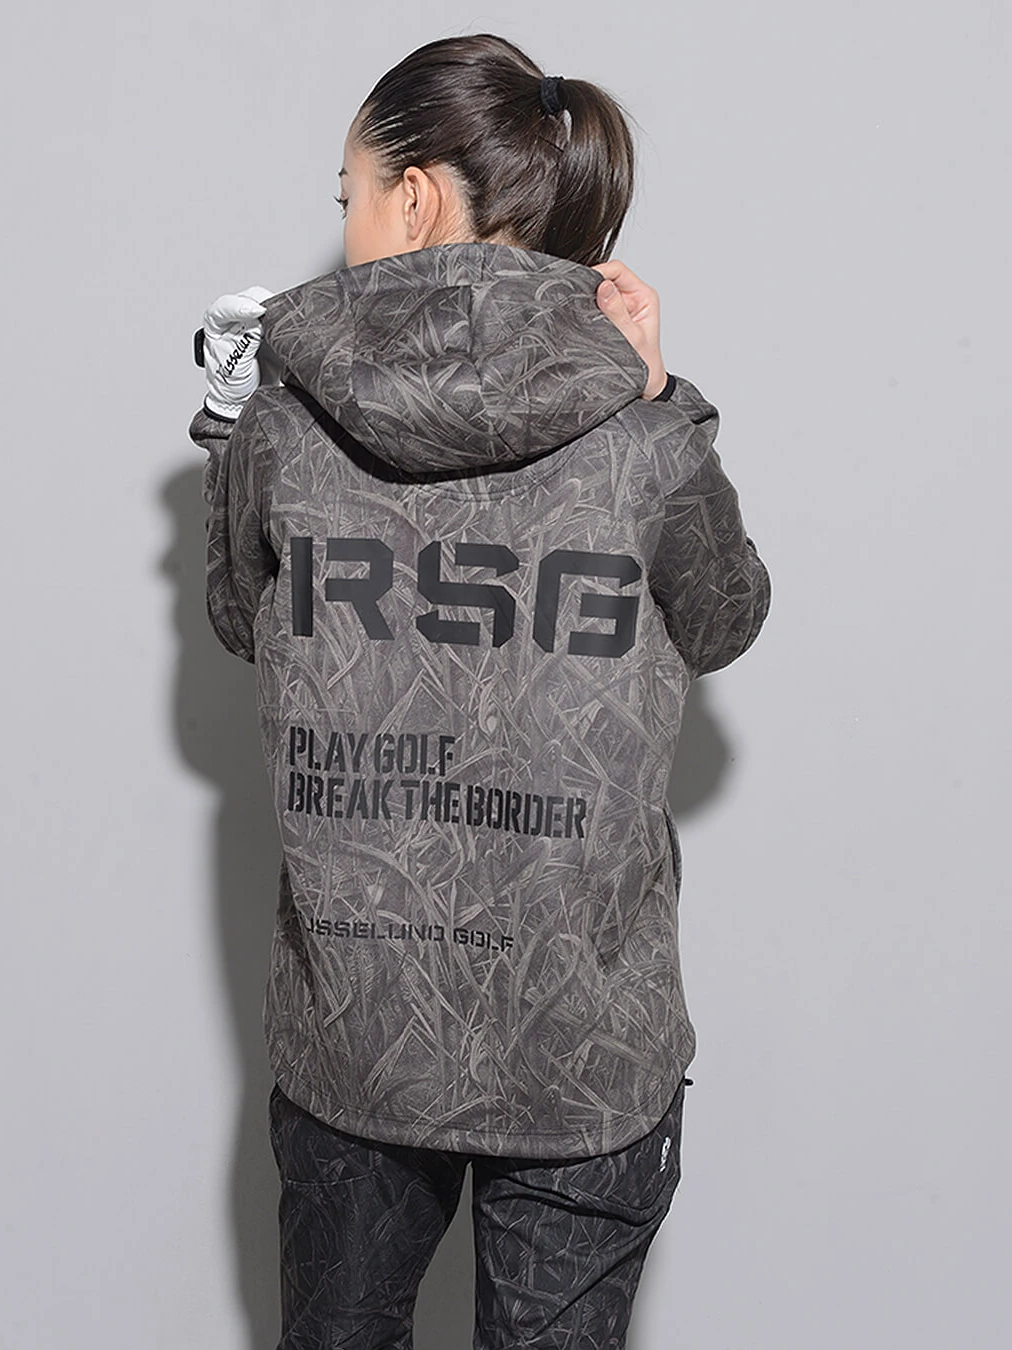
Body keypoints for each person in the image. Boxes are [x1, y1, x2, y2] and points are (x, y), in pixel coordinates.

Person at [189, 32, 770, 1350]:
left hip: (355, 1026)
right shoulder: (642, 432)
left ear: (413, 198)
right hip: (586, 1042)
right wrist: (660, 400)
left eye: (348, 195)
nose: (343, 227)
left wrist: (234, 436)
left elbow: (237, 616)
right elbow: (727, 619)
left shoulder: (280, 427)